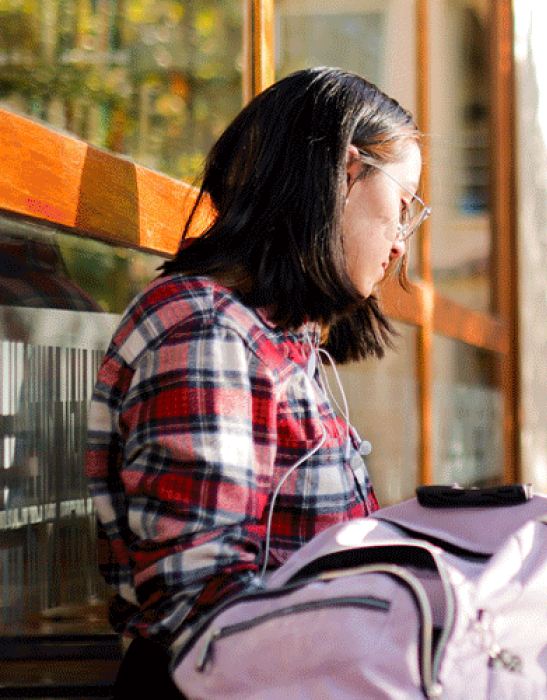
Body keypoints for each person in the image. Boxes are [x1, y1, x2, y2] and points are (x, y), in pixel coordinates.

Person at [86, 66, 423, 698]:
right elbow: (208, 612)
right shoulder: (208, 335)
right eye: (402, 207)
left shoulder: (273, 339)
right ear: (346, 174)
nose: (402, 244)